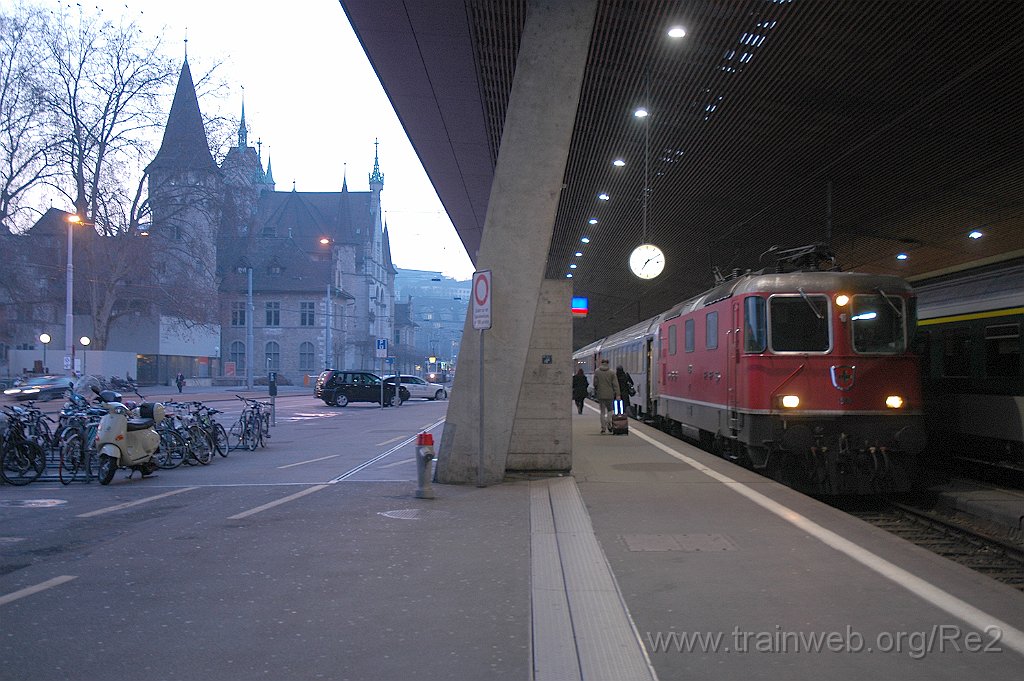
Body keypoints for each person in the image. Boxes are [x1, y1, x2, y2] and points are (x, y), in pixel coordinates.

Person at [592, 358, 620, 433]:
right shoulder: (612, 372)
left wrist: (597, 388)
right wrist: (618, 394)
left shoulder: (597, 372)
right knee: (610, 410)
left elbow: (595, 383)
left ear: (601, 363)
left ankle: (603, 428)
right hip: (609, 394)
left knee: (602, 411)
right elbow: (615, 384)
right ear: (608, 363)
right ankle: (609, 422)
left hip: (600, 394)